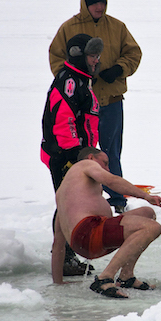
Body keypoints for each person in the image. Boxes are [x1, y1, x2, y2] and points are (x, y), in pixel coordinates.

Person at [50, 0, 143, 213]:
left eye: (102, 2)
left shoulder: (117, 27)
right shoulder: (68, 28)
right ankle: (87, 199)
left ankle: (117, 200)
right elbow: (56, 59)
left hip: (110, 102)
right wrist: (76, 82)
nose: (99, 7)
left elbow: (134, 53)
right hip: (80, 107)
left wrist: (119, 69)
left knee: (111, 154)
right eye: (94, 3)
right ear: (85, 4)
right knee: (84, 154)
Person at [52, 147, 161, 298]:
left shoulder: (64, 191)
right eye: (105, 163)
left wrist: (58, 282)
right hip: (90, 232)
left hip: (84, 241)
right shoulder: (85, 165)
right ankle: (104, 278)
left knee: (147, 213)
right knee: (152, 228)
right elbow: (111, 180)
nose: (107, 168)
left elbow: (58, 243)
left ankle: (126, 276)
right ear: (91, 158)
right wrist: (145, 196)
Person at [41, 33, 102, 276]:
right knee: (68, 205)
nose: (96, 60)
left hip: (76, 154)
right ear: (79, 56)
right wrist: (77, 153)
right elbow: (63, 120)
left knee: (71, 203)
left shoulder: (80, 80)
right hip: (65, 155)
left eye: (97, 56)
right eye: (92, 55)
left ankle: (68, 255)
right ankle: (63, 257)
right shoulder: (69, 81)